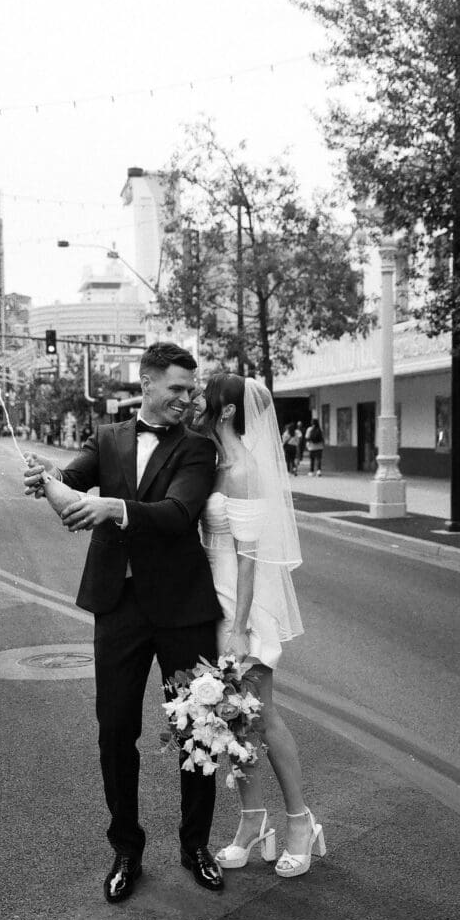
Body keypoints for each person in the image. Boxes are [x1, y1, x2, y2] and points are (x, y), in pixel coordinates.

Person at [23, 343, 224, 904]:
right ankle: (126, 850)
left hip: (183, 609)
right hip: (118, 605)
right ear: (148, 383)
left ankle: (195, 846)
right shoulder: (108, 439)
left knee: (197, 730)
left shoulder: (197, 449)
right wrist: (46, 477)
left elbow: (179, 515)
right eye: (178, 389)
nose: (188, 398)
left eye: (192, 389)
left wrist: (113, 508)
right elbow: (69, 477)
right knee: (115, 729)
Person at [197, 373, 325, 878]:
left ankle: (300, 822)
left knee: (263, 715)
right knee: (232, 719)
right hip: (213, 601)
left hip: (242, 607)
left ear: (225, 411)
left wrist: (239, 628)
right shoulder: (211, 462)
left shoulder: (244, 469)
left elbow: (248, 559)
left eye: (202, 400)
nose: (193, 405)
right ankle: (252, 823)